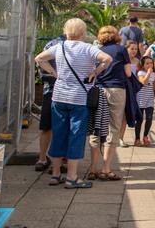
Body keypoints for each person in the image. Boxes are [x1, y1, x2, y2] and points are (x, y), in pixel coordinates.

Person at [34, 18, 113, 189]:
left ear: (66, 31)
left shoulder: (59, 47)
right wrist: (95, 71)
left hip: (59, 97)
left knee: (59, 134)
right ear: (83, 32)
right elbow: (107, 59)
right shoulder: (88, 48)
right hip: (79, 98)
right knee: (76, 136)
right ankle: (72, 177)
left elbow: (39, 58)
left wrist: (54, 72)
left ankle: (56, 174)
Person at [86, 26, 131, 181]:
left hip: (98, 90)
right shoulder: (121, 50)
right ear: (116, 36)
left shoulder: (96, 50)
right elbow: (128, 73)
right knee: (114, 127)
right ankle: (106, 168)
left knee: (95, 126)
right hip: (117, 90)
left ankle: (92, 168)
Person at [34, 36, 61, 172]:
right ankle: (48, 160)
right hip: (56, 91)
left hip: (50, 91)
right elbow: (39, 60)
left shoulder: (53, 43)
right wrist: (56, 74)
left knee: (47, 127)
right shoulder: (56, 44)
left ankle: (44, 159)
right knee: (57, 127)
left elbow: (40, 63)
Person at [117, 40, 142, 147]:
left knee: (126, 115)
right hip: (122, 88)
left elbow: (139, 76)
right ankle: (112, 137)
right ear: (126, 49)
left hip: (132, 90)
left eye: (136, 49)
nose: (134, 51)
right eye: (132, 48)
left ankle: (120, 138)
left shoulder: (137, 61)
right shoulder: (121, 60)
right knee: (118, 114)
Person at [135, 56, 155, 146]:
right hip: (140, 99)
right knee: (139, 120)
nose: (149, 65)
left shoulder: (154, 74)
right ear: (143, 65)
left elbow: (154, 86)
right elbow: (143, 82)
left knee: (149, 118)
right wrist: (148, 73)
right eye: (147, 63)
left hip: (150, 99)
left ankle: (145, 136)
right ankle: (137, 139)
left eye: (151, 63)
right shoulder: (141, 73)